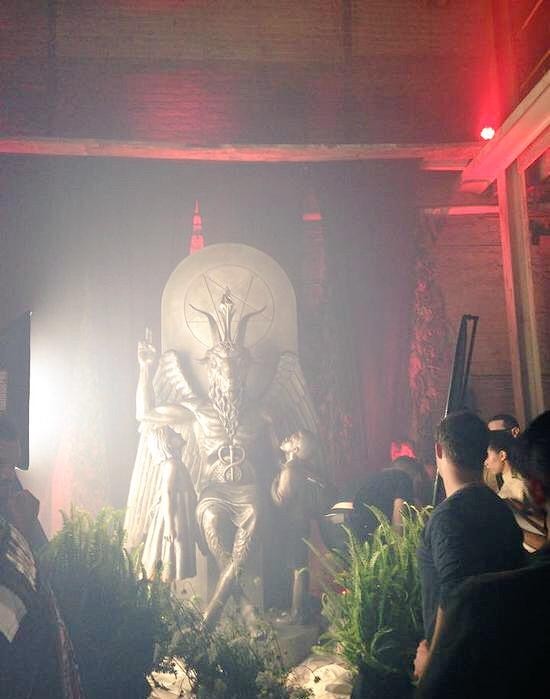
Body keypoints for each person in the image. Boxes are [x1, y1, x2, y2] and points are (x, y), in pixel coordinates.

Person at [415, 410, 550, 698]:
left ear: (438, 450)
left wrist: (431, 667)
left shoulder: (446, 518)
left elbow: (456, 596)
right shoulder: (498, 507)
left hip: (460, 673)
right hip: (504, 663)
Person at [271, 429, 333, 624]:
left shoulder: (290, 470)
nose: (287, 438)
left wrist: (272, 485)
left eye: (292, 438)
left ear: (296, 449)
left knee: (297, 568)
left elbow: (281, 499)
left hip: (293, 524)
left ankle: (296, 613)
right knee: (300, 566)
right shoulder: (302, 469)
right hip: (301, 523)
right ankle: (299, 611)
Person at [484, 430, 546, 551]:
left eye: (487, 455)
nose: (485, 462)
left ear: (502, 455)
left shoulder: (514, 488)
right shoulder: (525, 479)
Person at [351, 465, 415, 540]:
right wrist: (398, 542)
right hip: (381, 536)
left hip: (359, 529)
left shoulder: (373, 478)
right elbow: (399, 516)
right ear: (416, 474)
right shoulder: (404, 477)